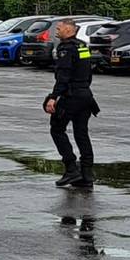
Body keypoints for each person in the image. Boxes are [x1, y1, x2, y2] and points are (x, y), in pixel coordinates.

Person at [45, 19, 98, 188]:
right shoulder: (82, 46)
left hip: (71, 95)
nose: (56, 31)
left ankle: (71, 169)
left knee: (57, 129)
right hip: (86, 95)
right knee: (81, 133)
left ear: (69, 30)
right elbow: (88, 72)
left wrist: (53, 97)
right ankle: (87, 174)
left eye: (59, 28)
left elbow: (63, 76)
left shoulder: (65, 48)